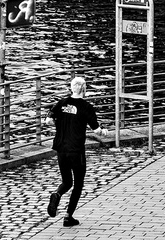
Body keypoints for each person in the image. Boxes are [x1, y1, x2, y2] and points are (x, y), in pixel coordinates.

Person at [47, 76, 101, 227]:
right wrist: (104, 132)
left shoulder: (61, 103)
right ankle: (68, 216)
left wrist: (59, 123)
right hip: (76, 150)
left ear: (71, 88)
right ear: (84, 89)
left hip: (61, 149)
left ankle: (57, 195)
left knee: (66, 181)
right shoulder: (86, 107)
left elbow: (48, 120)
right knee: (78, 184)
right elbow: (96, 129)